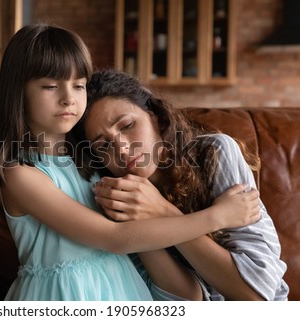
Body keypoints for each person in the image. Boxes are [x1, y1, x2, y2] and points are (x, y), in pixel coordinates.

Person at [0, 24, 261, 301]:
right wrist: (216, 217)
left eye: (79, 85)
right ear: (18, 92)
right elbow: (116, 237)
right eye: (50, 86)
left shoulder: (96, 166)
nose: (68, 99)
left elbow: (187, 293)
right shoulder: (20, 174)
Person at [74, 69, 289, 300]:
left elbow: (257, 296)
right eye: (103, 145)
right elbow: (185, 301)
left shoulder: (213, 153)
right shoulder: (117, 199)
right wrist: (145, 219)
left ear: (154, 115)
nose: (122, 149)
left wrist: (162, 211)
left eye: (127, 126)